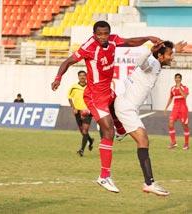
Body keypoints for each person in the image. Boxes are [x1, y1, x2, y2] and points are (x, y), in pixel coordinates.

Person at [51, 20, 162, 193]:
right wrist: (58, 78)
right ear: (94, 34)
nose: (103, 37)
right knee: (108, 131)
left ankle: (120, 130)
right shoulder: (88, 47)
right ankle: (104, 177)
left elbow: (130, 42)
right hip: (95, 96)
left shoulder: (112, 41)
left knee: (119, 109)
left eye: (106, 34)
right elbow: (67, 62)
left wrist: (148, 38)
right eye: (99, 34)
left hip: (108, 92)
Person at [114, 41, 187, 196]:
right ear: (160, 56)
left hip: (127, 107)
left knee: (143, 140)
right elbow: (140, 62)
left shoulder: (157, 63)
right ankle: (149, 183)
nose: (172, 58)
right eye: (170, 55)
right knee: (143, 141)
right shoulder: (152, 64)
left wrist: (174, 49)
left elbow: (158, 56)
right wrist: (149, 50)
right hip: (126, 109)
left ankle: (119, 129)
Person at [68, 70, 94, 156]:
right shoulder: (73, 87)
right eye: (80, 76)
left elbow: (95, 97)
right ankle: (90, 140)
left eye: (84, 75)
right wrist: (73, 108)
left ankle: (82, 150)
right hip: (78, 111)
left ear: (86, 77)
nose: (82, 77)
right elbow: (70, 98)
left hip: (87, 111)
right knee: (82, 131)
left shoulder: (90, 86)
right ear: (78, 77)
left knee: (85, 130)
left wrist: (91, 108)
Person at [164, 73, 189, 150]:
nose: (177, 79)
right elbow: (171, 98)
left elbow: (184, 96)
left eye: (178, 78)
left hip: (183, 108)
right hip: (175, 108)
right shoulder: (172, 88)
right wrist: (166, 107)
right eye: (176, 78)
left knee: (184, 126)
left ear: (181, 79)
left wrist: (179, 88)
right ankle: (173, 142)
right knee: (170, 124)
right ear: (174, 79)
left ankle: (186, 144)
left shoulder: (184, 87)